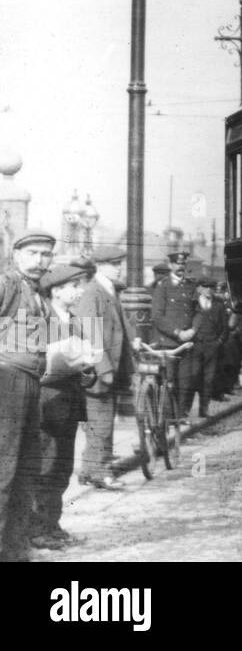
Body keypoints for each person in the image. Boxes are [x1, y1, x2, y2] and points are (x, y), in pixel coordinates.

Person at [29, 262, 97, 550]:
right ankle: (38, 530)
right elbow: (33, 365)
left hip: (68, 404)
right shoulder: (40, 320)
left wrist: (87, 369)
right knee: (45, 468)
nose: (80, 290)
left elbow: (84, 361)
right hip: (47, 403)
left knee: (61, 468)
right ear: (56, 290)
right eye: (75, 286)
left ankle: (52, 525)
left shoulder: (74, 320)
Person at [0, 230, 56, 561]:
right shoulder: (7, 284)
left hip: (30, 383)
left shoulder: (36, 292)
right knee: (4, 469)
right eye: (32, 253)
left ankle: (14, 550)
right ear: (17, 254)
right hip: (7, 381)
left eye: (45, 254)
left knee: (25, 469)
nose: (39, 260)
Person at [76, 247, 134, 491]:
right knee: (100, 423)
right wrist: (104, 368)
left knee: (101, 420)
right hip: (100, 371)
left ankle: (90, 470)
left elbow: (122, 325)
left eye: (120, 263)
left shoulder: (108, 290)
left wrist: (136, 341)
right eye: (114, 264)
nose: (119, 267)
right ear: (100, 266)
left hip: (112, 367)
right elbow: (92, 334)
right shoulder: (93, 292)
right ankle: (101, 472)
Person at [151, 254, 197, 419]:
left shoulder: (190, 286)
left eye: (183, 263)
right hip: (169, 343)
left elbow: (198, 311)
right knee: (169, 382)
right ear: (170, 265)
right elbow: (157, 316)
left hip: (187, 343)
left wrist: (193, 329)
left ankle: (181, 417)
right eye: (177, 264)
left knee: (186, 381)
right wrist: (178, 333)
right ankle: (169, 419)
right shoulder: (162, 287)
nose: (181, 267)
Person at [182, 278, 229, 419]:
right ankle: (185, 409)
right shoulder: (192, 304)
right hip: (195, 346)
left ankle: (204, 410)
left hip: (211, 347)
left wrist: (219, 342)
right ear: (199, 288)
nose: (209, 289)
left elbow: (225, 327)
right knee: (192, 377)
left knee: (208, 379)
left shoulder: (218, 305)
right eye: (206, 286)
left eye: (212, 286)